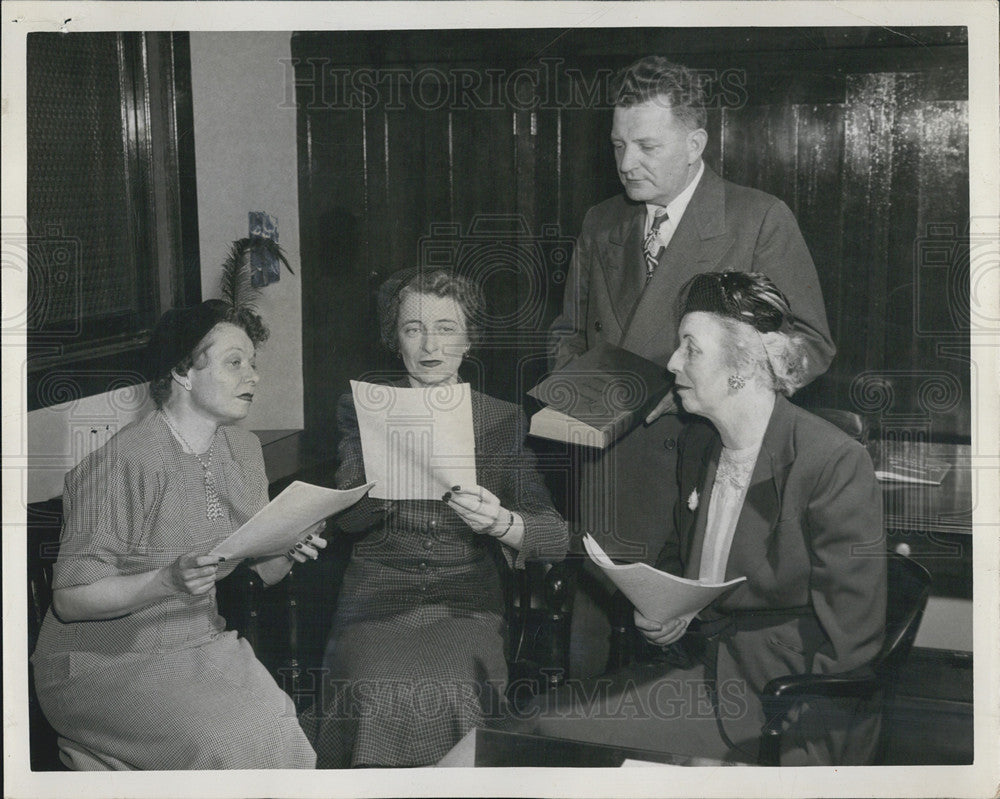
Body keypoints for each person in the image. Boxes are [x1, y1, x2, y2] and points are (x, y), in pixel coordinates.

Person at [518, 272, 886, 765]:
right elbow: (696, 574)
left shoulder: (831, 462)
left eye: (691, 349)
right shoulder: (701, 445)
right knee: (532, 727)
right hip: (703, 678)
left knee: (561, 749)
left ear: (743, 365)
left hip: (787, 707)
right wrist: (670, 612)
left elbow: (851, 652)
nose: (672, 363)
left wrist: (777, 766)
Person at [548, 55, 837, 676]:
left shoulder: (757, 219)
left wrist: (688, 389)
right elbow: (566, 335)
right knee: (594, 699)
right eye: (618, 144)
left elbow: (808, 345)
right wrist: (585, 394)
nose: (627, 162)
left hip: (707, 476)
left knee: (689, 693)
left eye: (648, 145)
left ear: (695, 143)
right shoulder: (601, 223)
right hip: (608, 480)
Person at [31, 299, 325, 770]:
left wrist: (289, 550)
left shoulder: (245, 452)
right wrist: (164, 582)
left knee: (278, 724)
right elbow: (69, 600)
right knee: (232, 741)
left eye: (252, 363)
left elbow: (259, 573)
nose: (252, 376)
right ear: (184, 372)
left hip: (198, 641)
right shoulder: (123, 461)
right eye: (235, 363)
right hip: (102, 661)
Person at [304, 268, 568, 768]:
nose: (430, 345)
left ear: (469, 339)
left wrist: (501, 523)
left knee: (452, 690)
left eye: (446, 328)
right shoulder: (364, 410)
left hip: (465, 601)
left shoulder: (500, 419)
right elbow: (349, 520)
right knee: (371, 689)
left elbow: (553, 533)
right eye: (413, 328)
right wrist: (381, 477)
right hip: (375, 597)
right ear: (394, 340)